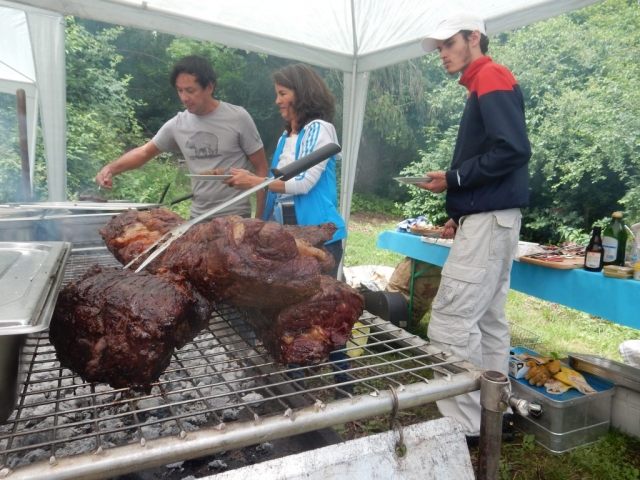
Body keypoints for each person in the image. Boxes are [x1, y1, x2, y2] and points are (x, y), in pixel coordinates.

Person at [419, 11, 531, 443]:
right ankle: (491, 416)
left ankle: (466, 427)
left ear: (474, 37)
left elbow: (513, 150)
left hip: (490, 221)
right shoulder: (484, 81)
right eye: (439, 48)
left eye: (449, 44)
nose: (442, 54)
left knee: (450, 322)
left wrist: (454, 179)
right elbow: (499, 158)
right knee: (487, 320)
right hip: (491, 218)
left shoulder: (490, 75)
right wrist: (460, 209)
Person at [227, 63, 350, 395]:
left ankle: (344, 383)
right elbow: (275, 186)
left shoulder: (320, 130)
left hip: (320, 238)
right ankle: (296, 384)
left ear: (302, 94)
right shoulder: (286, 137)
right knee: (289, 308)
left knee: (324, 307)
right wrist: (259, 222)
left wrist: (255, 181)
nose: (278, 101)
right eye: (277, 94)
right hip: (289, 239)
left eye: (283, 94)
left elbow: (303, 182)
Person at [95, 55, 268, 220]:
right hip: (198, 216)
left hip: (236, 215)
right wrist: (110, 169)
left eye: (190, 91)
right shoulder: (178, 124)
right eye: (180, 91)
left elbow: (261, 167)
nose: (185, 97)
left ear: (209, 87)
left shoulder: (237, 117)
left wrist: (260, 217)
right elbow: (144, 152)